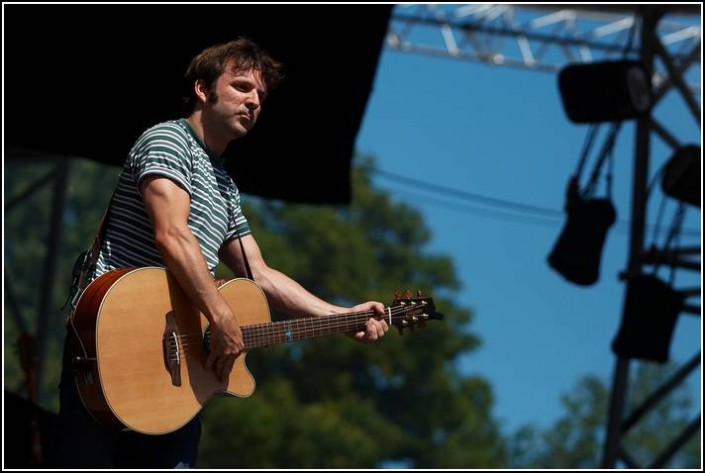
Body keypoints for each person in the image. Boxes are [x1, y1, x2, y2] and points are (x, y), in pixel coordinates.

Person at [47, 37, 389, 469]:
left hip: (176, 376)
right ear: (203, 90)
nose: (254, 102)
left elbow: (259, 273)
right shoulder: (170, 140)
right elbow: (172, 236)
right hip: (111, 343)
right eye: (243, 87)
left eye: (261, 96)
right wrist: (222, 315)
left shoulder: (224, 185)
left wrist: (340, 316)